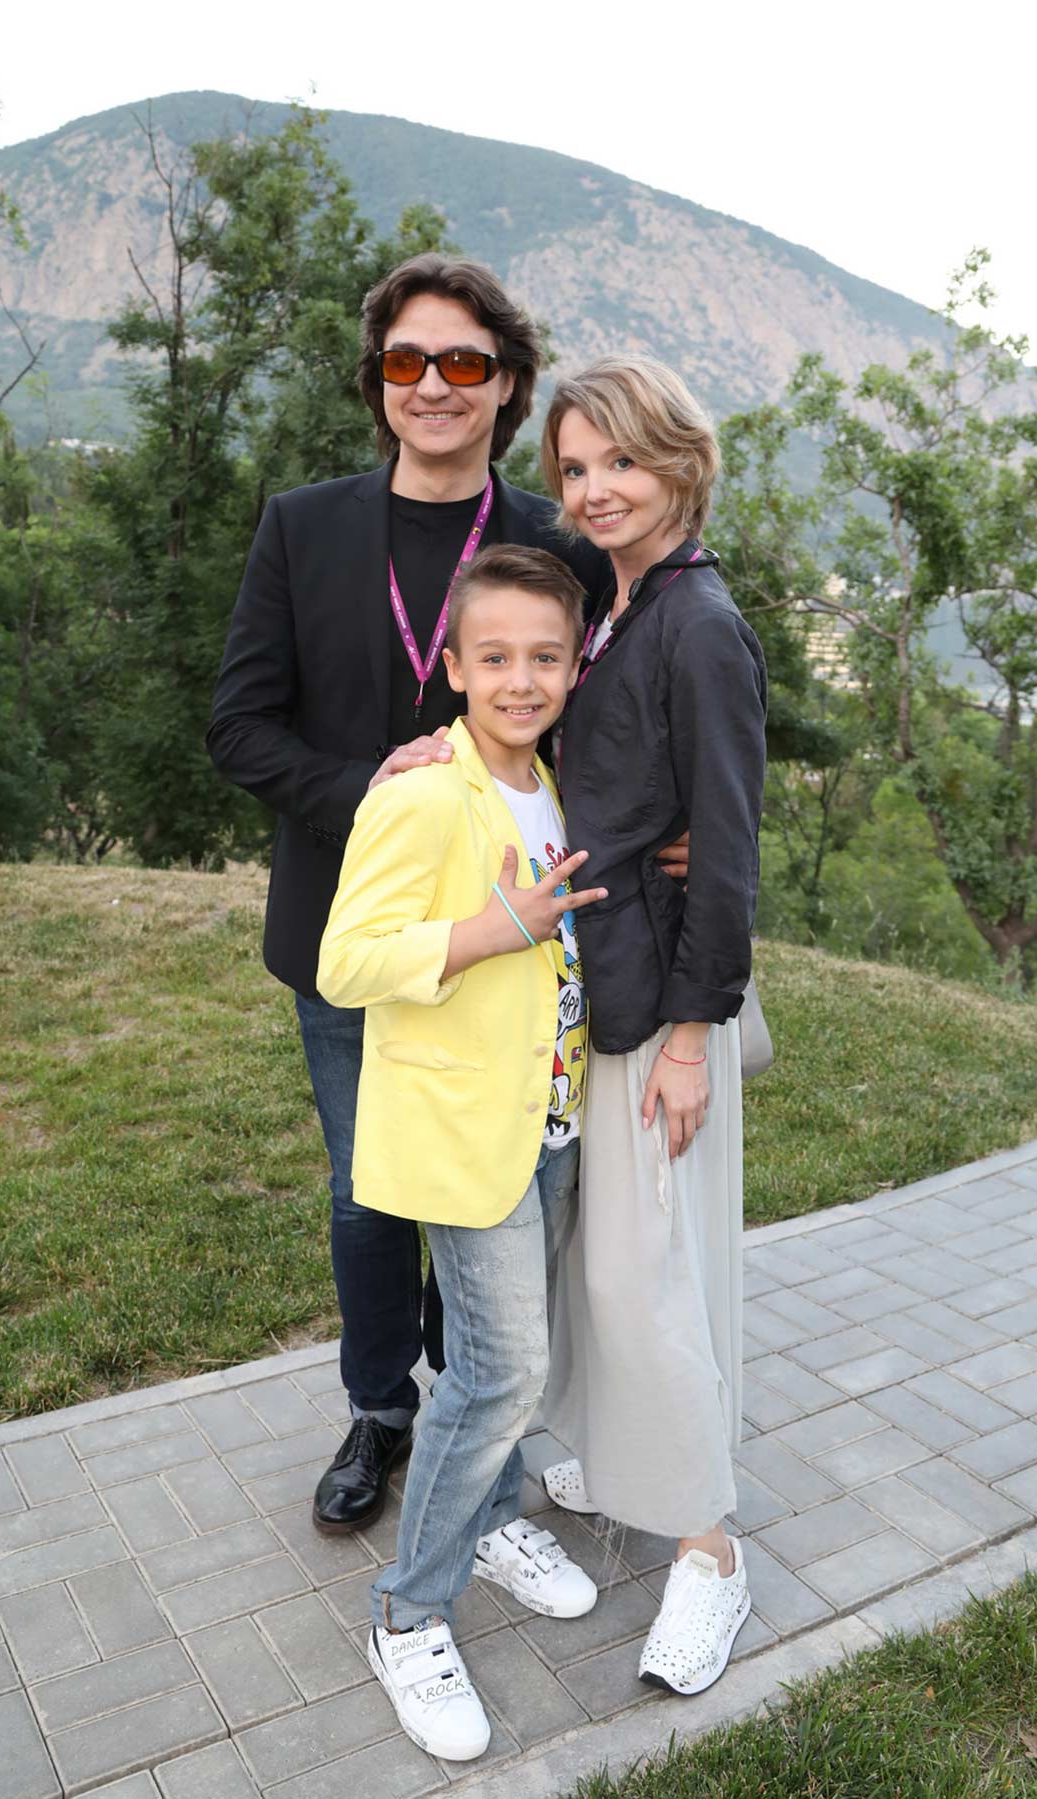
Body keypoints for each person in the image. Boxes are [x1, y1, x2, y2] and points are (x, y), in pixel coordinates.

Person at [207, 256, 606, 1535]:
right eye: (406, 360)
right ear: (377, 381)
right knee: (368, 1191)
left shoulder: (555, 540)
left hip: (515, 933)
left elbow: (603, 723)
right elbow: (238, 726)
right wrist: (368, 787)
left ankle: (472, 1397)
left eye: (465, 361)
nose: (434, 384)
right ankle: (381, 1406)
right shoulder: (302, 525)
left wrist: (666, 836)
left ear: (508, 384)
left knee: (492, 1180)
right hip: (353, 928)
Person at [315, 545, 607, 1761]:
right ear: (453, 665)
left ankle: (489, 1517)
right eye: (496, 656)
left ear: (575, 665)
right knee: (502, 1372)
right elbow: (346, 960)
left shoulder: (556, 782)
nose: (522, 678)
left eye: (546, 656)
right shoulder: (426, 789)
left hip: (550, 1118)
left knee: (501, 1362)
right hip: (459, 1127)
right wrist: (494, 929)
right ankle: (407, 1611)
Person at [537, 358, 768, 1696]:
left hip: (663, 1004)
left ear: (681, 461)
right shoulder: (613, 602)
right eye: (574, 468)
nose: (595, 489)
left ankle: (710, 1550)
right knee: (602, 1257)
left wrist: (691, 1034)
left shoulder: (700, 624)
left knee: (644, 1273)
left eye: (619, 460)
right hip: (607, 979)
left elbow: (727, 850)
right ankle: (623, 1452)